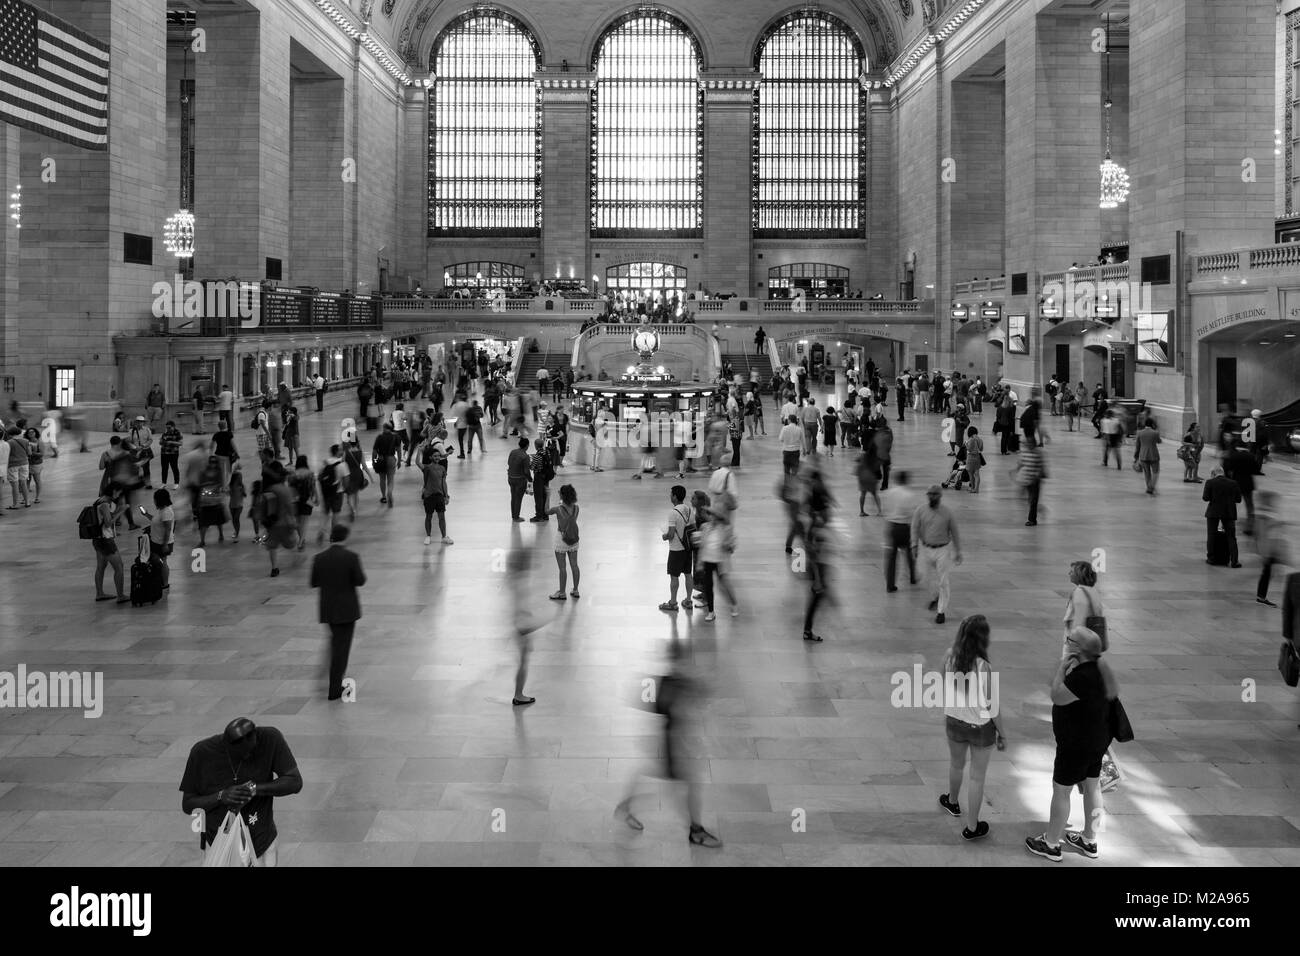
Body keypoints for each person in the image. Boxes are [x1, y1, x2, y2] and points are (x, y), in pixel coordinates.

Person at [614, 639, 723, 849]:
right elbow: (676, 706)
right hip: (673, 742)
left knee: (656, 773)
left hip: (671, 740)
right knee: (689, 782)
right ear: (677, 660)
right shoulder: (673, 683)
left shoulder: (673, 680)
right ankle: (696, 831)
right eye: (683, 660)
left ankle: (625, 806)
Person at [1025, 628, 1114, 862]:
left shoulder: (1082, 677)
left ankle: (1052, 843)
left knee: (1062, 791)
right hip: (1097, 741)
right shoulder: (1102, 671)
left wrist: (1061, 669)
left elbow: (1057, 695)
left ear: (1078, 649)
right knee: (1093, 788)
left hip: (1076, 744)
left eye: (1069, 640)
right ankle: (1090, 839)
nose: (1066, 642)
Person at [180, 717, 303, 867]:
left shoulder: (270, 739)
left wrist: (255, 789)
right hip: (219, 842)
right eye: (243, 753)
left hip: (260, 840)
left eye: (252, 750)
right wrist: (221, 797)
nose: (249, 756)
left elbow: (295, 782)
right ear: (227, 747)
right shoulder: (202, 753)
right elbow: (188, 804)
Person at [938, 614, 1006, 840]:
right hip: (980, 728)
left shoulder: (950, 656)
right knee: (977, 777)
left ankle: (953, 801)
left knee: (956, 765)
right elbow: (992, 705)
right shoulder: (983, 666)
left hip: (954, 721)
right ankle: (972, 826)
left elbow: (942, 681)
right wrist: (1002, 733)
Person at [310, 524, 367, 700]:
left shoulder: (319, 558)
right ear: (346, 537)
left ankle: (333, 681)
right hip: (347, 610)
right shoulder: (351, 557)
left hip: (328, 609)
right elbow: (360, 580)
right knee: (341, 649)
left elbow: (314, 582)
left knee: (336, 644)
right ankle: (335, 688)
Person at [911, 484, 963, 625]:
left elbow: (955, 532)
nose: (932, 496)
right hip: (925, 548)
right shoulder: (920, 510)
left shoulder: (947, 513)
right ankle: (935, 596)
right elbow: (914, 528)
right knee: (925, 578)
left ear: (940, 496)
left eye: (935, 494)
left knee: (943, 580)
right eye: (929, 494)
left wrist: (958, 551)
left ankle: (941, 611)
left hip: (943, 550)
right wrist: (914, 545)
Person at [90, 485, 130, 604]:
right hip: (105, 540)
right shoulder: (105, 504)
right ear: (113, 491)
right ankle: (121, 595)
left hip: (97, 539)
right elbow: (108, 523)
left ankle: (100, 593)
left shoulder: (99, 501)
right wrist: (122, 511)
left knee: (101, 567)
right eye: (118, 492)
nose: (118, 495)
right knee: (119, 567)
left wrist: (118, 510)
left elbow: (103, 518)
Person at [659, 485, 695, 612]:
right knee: (688, 574)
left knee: (674, 576)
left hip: (676, 549)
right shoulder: (689, 510)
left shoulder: (673, 513)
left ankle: (673, 602)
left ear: (675, 496)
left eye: (671, 494)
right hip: (688, 548)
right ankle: (689, 600)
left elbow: (671, 534)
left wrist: (664, 536)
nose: (670, 496)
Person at [545, 484, 581, 600]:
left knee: (562, 568)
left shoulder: (558, 509)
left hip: (561, 539)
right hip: (574, 540)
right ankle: (575, 590)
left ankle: (561, 593)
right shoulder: (577, 508)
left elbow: (546, 511)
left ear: (562, 495)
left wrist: (548, 496)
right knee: (574, 565)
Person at [1202, 466, 1242, 568]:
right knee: (1231, 537)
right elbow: (1238, 499)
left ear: (1213, 473)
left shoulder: (1210, 482)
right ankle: (1234, 561)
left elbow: (1205, 498)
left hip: (1213, 512)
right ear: (1223, 473)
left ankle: (1211, 558)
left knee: (1211, 535)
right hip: (1229, 512)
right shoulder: (1233, 483)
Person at [418, 449, 453, 546]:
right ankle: (428, 536)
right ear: (430, 457)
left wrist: (446, 496)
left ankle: (444, 537)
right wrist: (419, 450)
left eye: (438, 456)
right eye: (434, 456)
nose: (437, 457)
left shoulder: (442, 468)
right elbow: (417, 463)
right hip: (429, 496)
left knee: (442, 517)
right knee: (428, 516)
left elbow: (443, 483)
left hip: (440, 496)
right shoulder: (427, 468)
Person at [1224, 441, 1258, 536]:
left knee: (1232, 504)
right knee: (1249, 505)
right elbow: (1256, 470)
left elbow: (1228, 468)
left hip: (1236, 483)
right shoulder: (1251, 456)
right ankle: (1249, 528)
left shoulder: (1234, 456)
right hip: (1248, 483)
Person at [145, 488, 175, 591]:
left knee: (163, 562)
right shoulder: (161, 510)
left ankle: (165, 583)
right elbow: (156, 520)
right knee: (159, 561)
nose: (154, 501)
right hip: (157, 541)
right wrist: (146, 515)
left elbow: (168, 529)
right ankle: (161, 581)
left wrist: (165, 544)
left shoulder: (167, 512)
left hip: (162, 542)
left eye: (155, 499)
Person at [1017, 436, 1047, 526]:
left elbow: (1041, 466)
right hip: (1027, 480)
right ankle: (1039, 508)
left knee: (1033, 500)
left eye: (1030, 444)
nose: (1028, 446)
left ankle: (1032, 520)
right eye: (1027, 444)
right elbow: (1021, 463)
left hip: (1035, 481)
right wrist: (1017, 470)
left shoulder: (1038, 453)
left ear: (1034, 444)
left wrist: (1038, 475)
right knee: (1030, 500)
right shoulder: (1025, 453)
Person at [371, 422, 400, 508]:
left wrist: (374, 461)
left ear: (384, 428)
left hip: (381, 459)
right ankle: (389, 492)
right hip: (391, 459)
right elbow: (399, 450)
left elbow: (374, 451)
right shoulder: (396, 437)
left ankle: (384, 497)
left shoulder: (379, 437)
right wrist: (399, 461)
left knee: (382, 479)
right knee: (390, 479)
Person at [1133, 418, 1161, 495]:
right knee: (1155, 472)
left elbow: (1137, 446)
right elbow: (1159, 441)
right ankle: (1151, 486)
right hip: (1153, 454)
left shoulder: (1140, 433)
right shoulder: (1155, 433)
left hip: (1143, 455)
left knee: (1147, 473)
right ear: (1152, 424)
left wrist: (1136, 457)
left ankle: (1149, 487)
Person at [507, 436, 532, 522]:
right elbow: (526, 471)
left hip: (510, 478)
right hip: (520, 480)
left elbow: (509, 463)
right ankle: (516, 517)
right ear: (527, 446)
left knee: (513, 497)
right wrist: (530, 479)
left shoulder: (513, 452)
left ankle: (513, 515)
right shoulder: (525, 456)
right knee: (518, 498)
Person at [159, 420, 183, 490]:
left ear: (173, 427)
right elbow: (160, 442)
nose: (168, 429)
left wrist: (171, 442)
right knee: (164, 468)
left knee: (174, 467)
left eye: (169, 428)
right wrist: (161, 442)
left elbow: (180, 443)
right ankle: (163, 483)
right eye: (167, 428)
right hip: (164, 453)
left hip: (173, 453)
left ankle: (176, 483)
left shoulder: (178, 433)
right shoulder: (165, 433)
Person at [964, 426, 984, 493]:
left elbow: (969, 449)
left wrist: (966, 444)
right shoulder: (980, 439)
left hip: (970, 458)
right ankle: (977, 489)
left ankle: (972, 488)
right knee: (977, 474)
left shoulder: (971, 439)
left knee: (971, 474)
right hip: (977, 457)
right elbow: (981, 449)